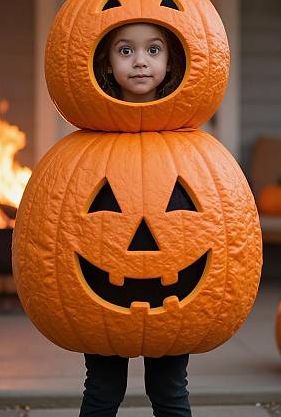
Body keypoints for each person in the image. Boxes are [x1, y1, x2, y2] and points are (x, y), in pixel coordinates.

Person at [80, 22, 191, 417]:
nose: (140, 61)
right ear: (107, 65)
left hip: (172, 287)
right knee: (102, 391)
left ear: (170, 61)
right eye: (126, 51)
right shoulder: (89, 141)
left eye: (153, 50)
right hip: (107, 287)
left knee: (170, 391)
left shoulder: (189, 142)